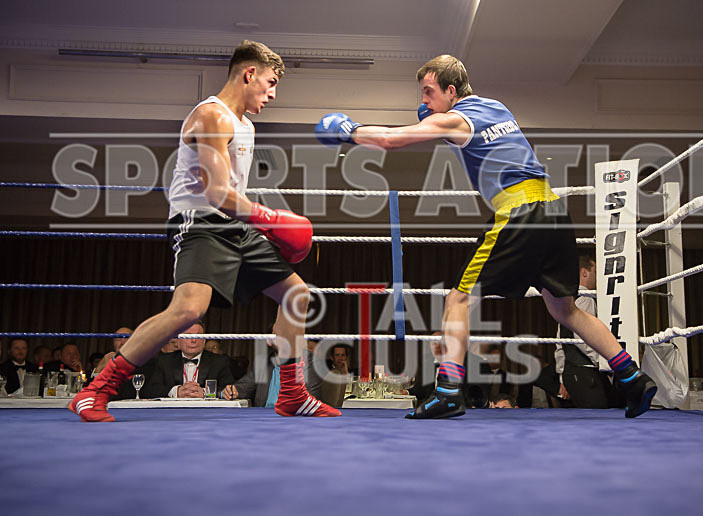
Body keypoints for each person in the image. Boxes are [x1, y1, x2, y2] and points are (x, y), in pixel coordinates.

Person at [315, 54, 656, 419]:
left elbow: (389, 140)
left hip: (518, 212)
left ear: (450, 90)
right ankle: (631, 376)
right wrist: (440, 122)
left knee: (458, 301)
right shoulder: (496, 107)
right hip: (554, 211)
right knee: (564, 308)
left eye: (429, 92)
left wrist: (348, 130)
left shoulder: (454, 119)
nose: (425, 101)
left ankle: (447, 391)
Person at [70, 40, 340, 421]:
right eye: (271, 82)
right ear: (250, 74)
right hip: (199, 222)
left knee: (296, 294)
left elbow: (234, 195)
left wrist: (263, 221)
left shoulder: (246, 125)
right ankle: (95, 390)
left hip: (236, 226)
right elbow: (215, 192)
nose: (273, 93)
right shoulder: (211, 116)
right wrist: (272, 219)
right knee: (188, 309)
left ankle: (293, 394)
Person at [554, 254, 621, 409]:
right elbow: (586, 338)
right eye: (595, 272)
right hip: (586, 372)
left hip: (573, 372)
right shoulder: (586, 298)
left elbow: (560, 341)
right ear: (584, 272)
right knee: (602, 419)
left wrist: (562, 375)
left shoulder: (567, 300)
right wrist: (605, 361)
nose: (598, 278)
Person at [148, 322, 235, 398]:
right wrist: (176, 391)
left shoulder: (219, 362)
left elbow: (230, 390)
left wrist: (206, 393)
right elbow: (150, 389)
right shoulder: (164, 361)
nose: (193, 340)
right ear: (178, 340)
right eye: (188, 336)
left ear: (204, 340)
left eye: (198, 336)